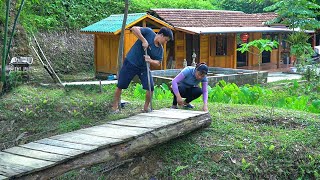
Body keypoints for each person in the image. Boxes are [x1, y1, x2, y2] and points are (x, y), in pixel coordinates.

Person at [112, 26, 173, 112]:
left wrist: (150, 60)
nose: (165, 42)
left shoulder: (160, 49)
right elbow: (134, 29)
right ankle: (114, 107)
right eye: (166, 40)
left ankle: (146, 108)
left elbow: (158, 63)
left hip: (144, 67)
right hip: (131, 62)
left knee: (150, 87)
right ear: (162, 35)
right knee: (121, 85)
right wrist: (143, 40)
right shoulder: (149, 32)